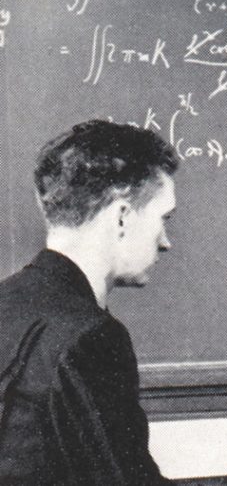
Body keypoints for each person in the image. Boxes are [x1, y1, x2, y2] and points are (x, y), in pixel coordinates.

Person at [0, 120, 178, 484]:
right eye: (164, 219)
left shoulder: (7, 301)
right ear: (122, 217)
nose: (165, 241)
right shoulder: (92, 338)